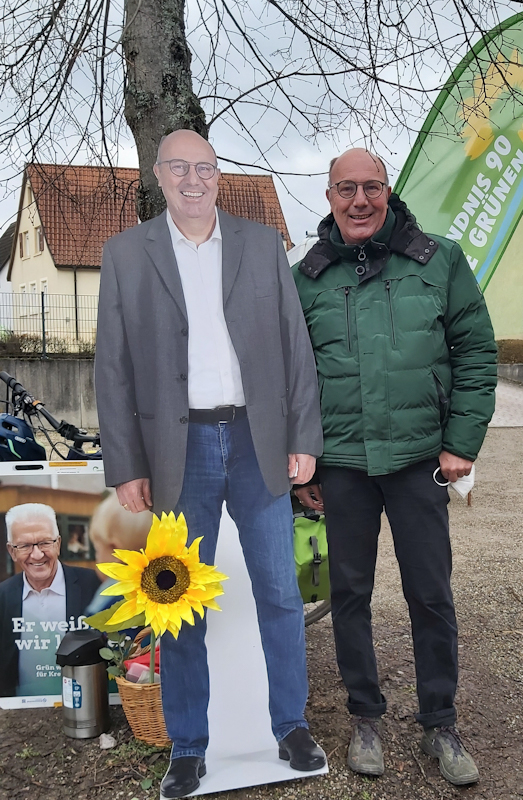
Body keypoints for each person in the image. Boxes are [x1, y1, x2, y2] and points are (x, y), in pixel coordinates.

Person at [95, 129, 326, 799]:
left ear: (218, 176)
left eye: (204, 168)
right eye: (179, 168)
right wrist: (125, 465)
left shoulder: (262, 245)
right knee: (175, 604)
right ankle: (188, 745)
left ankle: (291, 725)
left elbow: (295, 347)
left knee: (279, 593)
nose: (192, 179)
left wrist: (303, 436)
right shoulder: (125, 254)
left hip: (257, 441)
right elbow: (112, 367)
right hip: (178, 450)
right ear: (158, 175)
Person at [292, 148, 497, 786]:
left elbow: (476, 351)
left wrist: (461, 442)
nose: (360, 200)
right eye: (346, 188)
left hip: (417, 461)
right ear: (329, 196)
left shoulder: (440, 261)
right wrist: (306, 467)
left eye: (371, 187)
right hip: (343, 465)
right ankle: (364, 718)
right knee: (349, 595)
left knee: (430, 594)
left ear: (389, 192)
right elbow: (291, 380)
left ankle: (441, 721)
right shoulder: (306, 277)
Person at [0, 503, 100, 697]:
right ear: (12, 551)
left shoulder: (94, 586)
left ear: (58, 544)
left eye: (45, 542)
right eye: (25, 546)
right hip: (20, 710)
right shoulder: (3, 596)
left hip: (85, 705)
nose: (37, 554)